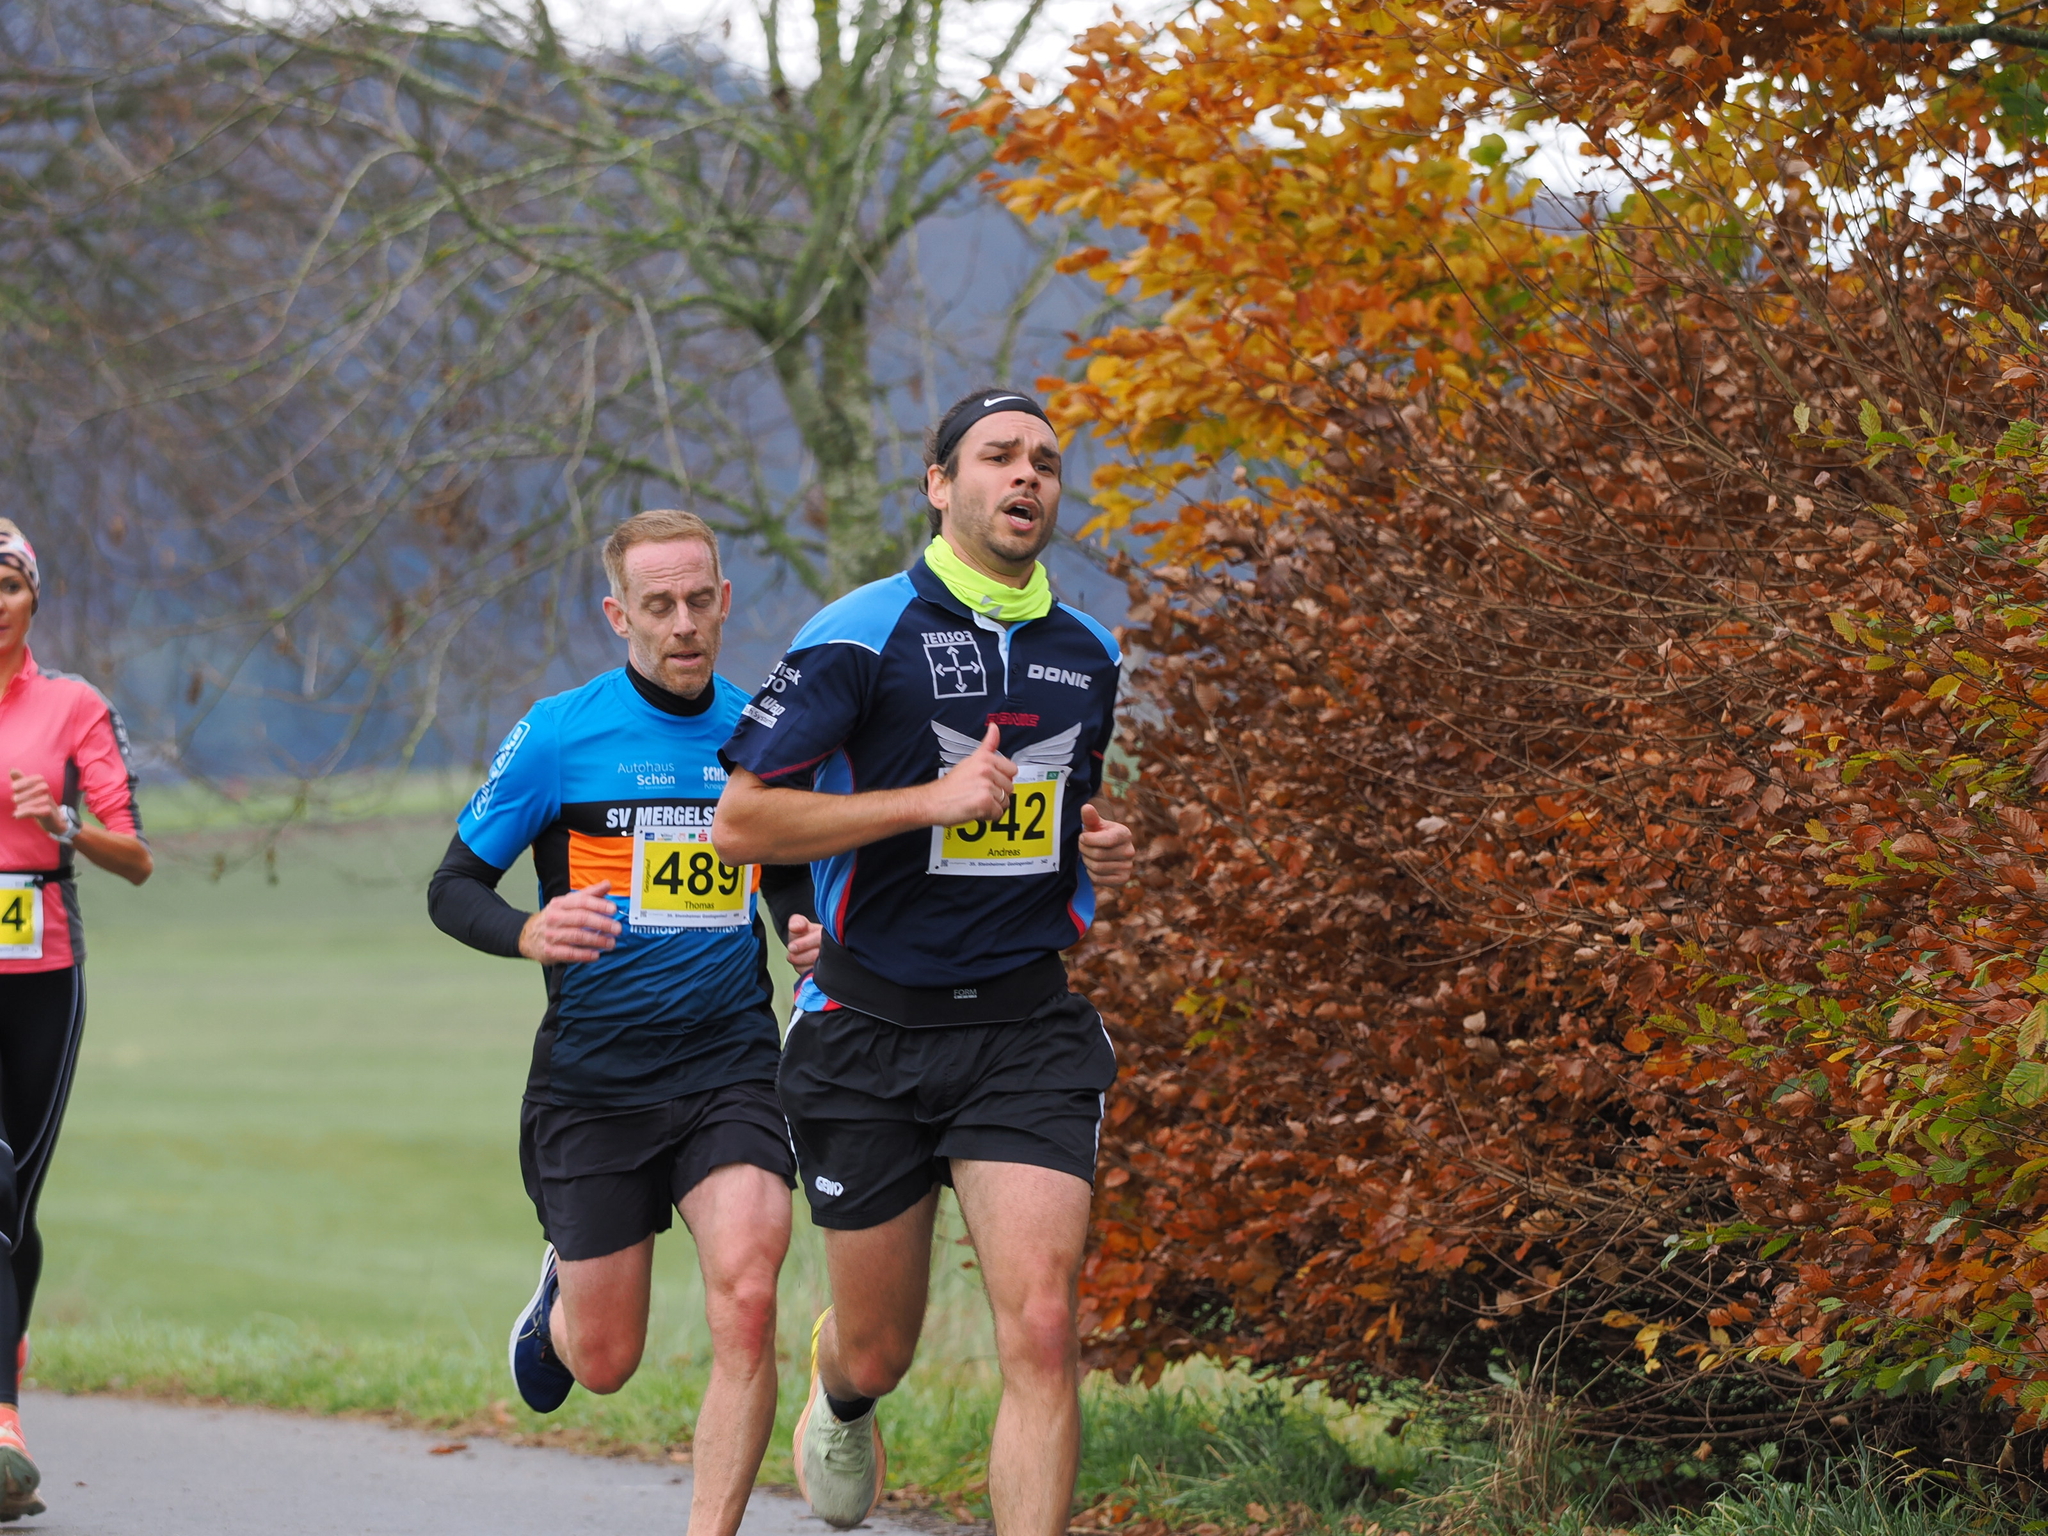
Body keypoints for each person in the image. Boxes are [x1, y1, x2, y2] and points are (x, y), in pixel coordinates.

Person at [713, 388, 1137, 1533]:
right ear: (939, 484)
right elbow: (741, 824)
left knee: (1041, 1327)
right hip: (867, 1031)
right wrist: (924, 803)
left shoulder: (1089, 652)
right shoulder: (856, 633)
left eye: (1044, 460)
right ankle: (843, 1397)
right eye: (997, 456)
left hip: (1023, 1029)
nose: (1026, 475)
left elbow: (1057, 808)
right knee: (878, 1348)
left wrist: (1096, 842)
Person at [426, 510, 818, 1536]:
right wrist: (528, 931)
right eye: (658, 605)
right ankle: (559, 1294)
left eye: (698, 601)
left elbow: (783, 871)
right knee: (603, 1363)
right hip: (596, 1080)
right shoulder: (560, 734)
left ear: (723, 602)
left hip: (731, 1062)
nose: (682, 623)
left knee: (748, 1296)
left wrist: (801, 926)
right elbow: (453, 886)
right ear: (618, 615)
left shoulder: (763, 735)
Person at [0, 519, 153, 1522]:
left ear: (32, 598)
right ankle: (4, 1429)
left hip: (40, 973)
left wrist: (63, 823)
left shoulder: (73, 707)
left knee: (10, 1201)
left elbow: (135, 856)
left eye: (8, 583)